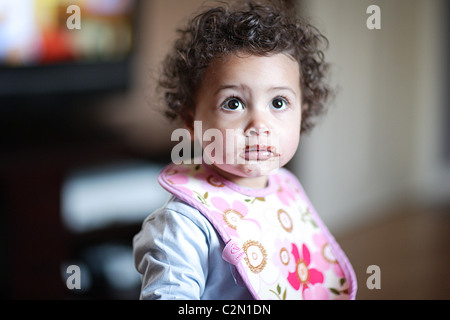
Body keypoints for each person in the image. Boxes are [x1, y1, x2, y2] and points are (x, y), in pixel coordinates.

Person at [133, 0, 357, 300]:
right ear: (191, 120)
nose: (259, 125)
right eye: (234, 103)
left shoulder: (285, 188)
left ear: (303, 111)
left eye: (278, 103)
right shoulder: (183, 224)